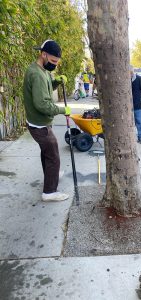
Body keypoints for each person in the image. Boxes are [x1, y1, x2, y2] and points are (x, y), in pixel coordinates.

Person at [23, 39, 71, 202]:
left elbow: (47, 86)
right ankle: (49, 192)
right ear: (43, 54)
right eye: (52, 61)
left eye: (57, 63)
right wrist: (62, 110)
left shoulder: (42, 70)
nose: (54, 65)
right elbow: (42, 104)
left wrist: (56, 81)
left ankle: (52, 174)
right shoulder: (36, 74)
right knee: (53, 156)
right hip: (39, 125)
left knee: (47, 153)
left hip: (41, 123)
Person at [130, 65, 141, 144]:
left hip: (137, 105)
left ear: (132, 72)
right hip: (127, 106)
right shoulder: (125, 79)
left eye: (130, 72)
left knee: (139, 122)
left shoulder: (139, 79)